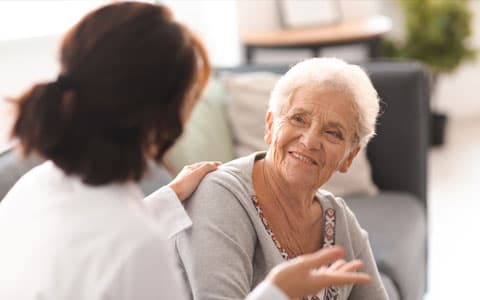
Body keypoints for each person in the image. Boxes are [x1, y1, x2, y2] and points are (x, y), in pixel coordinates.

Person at [0, 3, 371, 300]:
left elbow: (88, 246)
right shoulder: (136, 244)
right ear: (167, 117)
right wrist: (278, 292)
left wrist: (167, 200)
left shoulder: (34, 188)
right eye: (191, 98)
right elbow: (112, 248)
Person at [175, 57, 390, 300]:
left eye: (332, 133)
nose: (309, 141)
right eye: (298, 119)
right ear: (270, 126)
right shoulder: (220, 195)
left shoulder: (340, 222)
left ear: (349, 157)